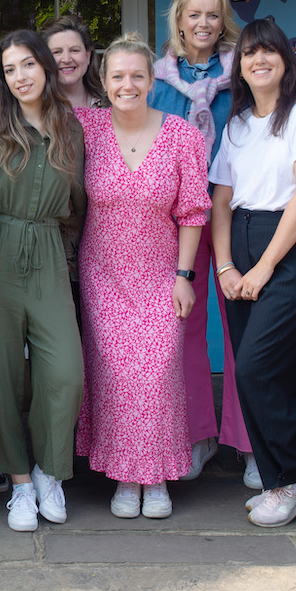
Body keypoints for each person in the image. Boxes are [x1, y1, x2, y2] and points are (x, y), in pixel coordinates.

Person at [75, 33, 210, 519]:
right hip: (103, 273)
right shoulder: (86, 127)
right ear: (104, 82)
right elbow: (33, 113)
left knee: (156, 374)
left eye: (137, 75)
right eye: (118, 76)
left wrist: (184, 276)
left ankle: (156, 477)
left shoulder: (181, 135)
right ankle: (124, 479)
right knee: (113, 375)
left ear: (152, 81)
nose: (127, 84)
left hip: (161, 274)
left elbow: (194, 212)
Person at [209, 19, 296, 528]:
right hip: (239, 243)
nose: (258, 61)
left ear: (285, 59)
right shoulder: (238, 121)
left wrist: (261, 268)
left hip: (290, 250)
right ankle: (279, 478)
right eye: (248, 54)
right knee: (260, 375)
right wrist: (225, 266)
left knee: (257, 369)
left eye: (268, 52)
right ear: (239, 66)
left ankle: (293, 481)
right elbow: (219, 199)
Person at [0, 30, 86, 532]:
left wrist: (70, 257)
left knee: (65, 371)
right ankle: (19, 483)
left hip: (50, 252)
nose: (20, 76)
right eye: (10, 70)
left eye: (28, 65)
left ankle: (50, 471)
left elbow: (79, 205)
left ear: (46, 67)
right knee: (1, 373)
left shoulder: (72, 131)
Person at [150, 0, 255, 486]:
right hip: (178, 220)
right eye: (194, 14)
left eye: (212, 15)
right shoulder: (155, 80)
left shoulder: (245, 72)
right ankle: (197, 435)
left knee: (242, 327)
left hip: (235, 210)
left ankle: (250, 438)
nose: (204, 25)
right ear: (179, 18)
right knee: (183, 326)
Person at [41, 14, 107, 109]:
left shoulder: (110, 104)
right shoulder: (38, 108)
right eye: (57, 52)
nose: (66, 59)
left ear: (88, 56)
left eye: (74, 50)